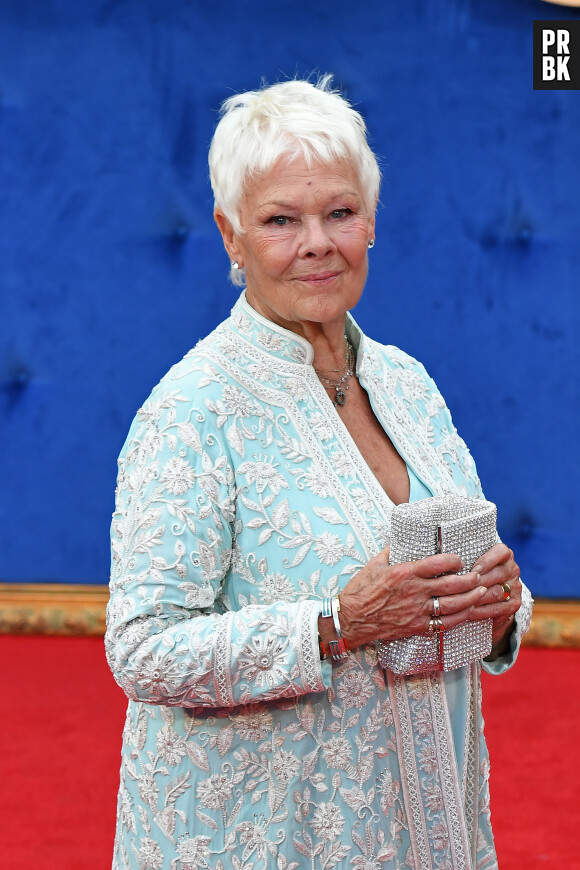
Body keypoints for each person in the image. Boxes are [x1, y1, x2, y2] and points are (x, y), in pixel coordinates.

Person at [105, 77, 532, 870]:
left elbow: (452, 585)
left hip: (426, 828)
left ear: (371, 224)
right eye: (279, 220)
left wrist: (500, 605)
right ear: (232, 238)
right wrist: (334, 626)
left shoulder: (407, 383)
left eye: (339, 212)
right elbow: (142, 649)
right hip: (259, 835)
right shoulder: (192, 411)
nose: (317, 242)